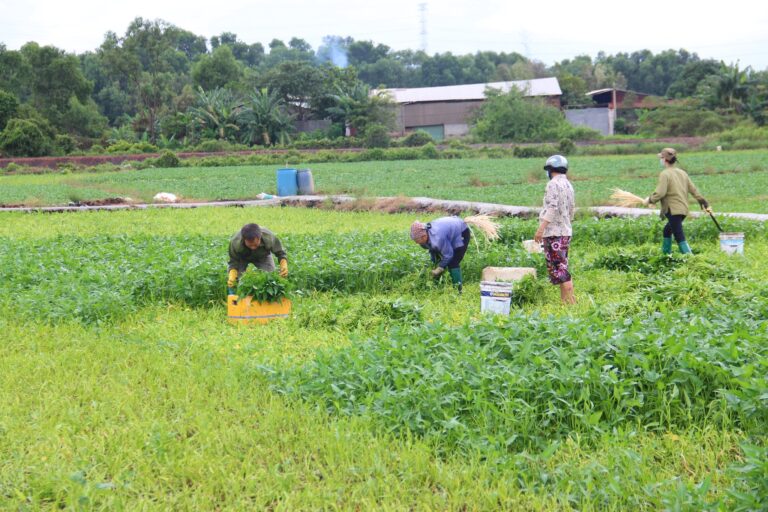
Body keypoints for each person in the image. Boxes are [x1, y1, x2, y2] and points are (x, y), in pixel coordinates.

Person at [642, 148, 710, 255]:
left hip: (672, 210)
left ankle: (690, 259)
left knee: (679, 235)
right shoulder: (682, 173)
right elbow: (693, 190)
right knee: (667, 231)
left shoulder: (665, 174)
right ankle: (666, 255)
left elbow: (660, 193)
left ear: (665, 159)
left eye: (661, 158)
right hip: (683, 209)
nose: (660, 160)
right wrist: (703, 201)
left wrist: (650, 200)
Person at [534, 154, 576, 305]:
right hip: (565, 231)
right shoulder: (568, 185)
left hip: (554, 233)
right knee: (562, 267)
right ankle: (565, 303)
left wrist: (541, 229)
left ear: (550, 169)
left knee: (560, 270)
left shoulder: (553, 184)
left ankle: (572, 302)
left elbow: (552, 208)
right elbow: (572, 210)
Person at [410, 216, 471, 293]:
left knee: (453, 262)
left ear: (424, 236)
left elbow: (448, 255)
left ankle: (458, 290)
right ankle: (437, 285)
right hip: (448, 230)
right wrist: (434, 261)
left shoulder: (438, 239)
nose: (416, 242)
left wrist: (440, 268)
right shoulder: (425, 236)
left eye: (417, 240)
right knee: (437, 261)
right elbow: (432, 250)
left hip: (461, 231)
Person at [227, 223, 288, 294]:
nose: (253, 247)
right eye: (250, 245)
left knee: (270, 279)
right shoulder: (235, 242)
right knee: (235, 280)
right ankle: (236, 299)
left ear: (260, 237)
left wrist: (283, 264)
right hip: (242, 258)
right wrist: (233, 273)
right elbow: (233, 261)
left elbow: (280, 252)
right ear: (244, 240)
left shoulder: (268, 237)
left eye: (255, 244)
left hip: (262, 256)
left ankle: (267, 299)